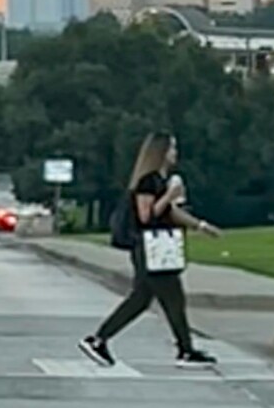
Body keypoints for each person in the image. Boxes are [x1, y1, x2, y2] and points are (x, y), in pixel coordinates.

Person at [79, 131, 222, 369]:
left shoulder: (160, 180)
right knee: (173, 298)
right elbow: (147, 216)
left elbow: (170, 213)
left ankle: (99, 340)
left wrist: (200, 225)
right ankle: (185, 350)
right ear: (161, 152)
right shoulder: (147, 181)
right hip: (150, 248)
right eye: (172, 148)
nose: (175, 153)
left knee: (141, 299)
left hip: (158, 249)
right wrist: (169, 195)